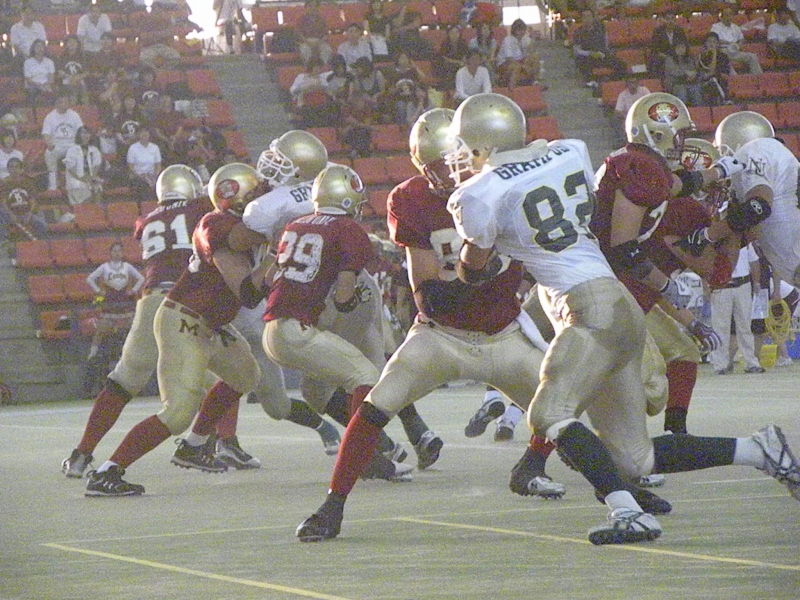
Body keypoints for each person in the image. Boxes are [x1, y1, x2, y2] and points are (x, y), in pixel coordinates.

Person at [440, 93, 800, 544]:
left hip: (586, 306)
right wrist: (710, 177)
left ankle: (627, 512)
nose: (458, 156)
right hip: (623, 307)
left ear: (481, 143)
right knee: (635, 458)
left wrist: (478, 258)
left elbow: (472, 271)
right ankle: (760, 450)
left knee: (549, 412)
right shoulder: (567, 151)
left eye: (464, 146)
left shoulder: (476, 194)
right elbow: (654, 191)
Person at [84, 163, 270, 496]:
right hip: (184, 318)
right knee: (178, 412)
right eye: (257, 194)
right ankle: (107, 471)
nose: (264, 200)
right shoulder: (216, 222)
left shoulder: (230, 223)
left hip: (210, 321)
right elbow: (249, 291)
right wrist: (280, 244)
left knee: (245, 375)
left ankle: (194, 446)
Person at [594, 93, 742, 436]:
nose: (716, 190)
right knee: (649, 386)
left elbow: (655, 279)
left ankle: (677, 433)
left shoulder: (657, 184)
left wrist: (690, 320)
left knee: (684, 352)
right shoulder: (681, 208)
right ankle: (615, 445)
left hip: (633, 292)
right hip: (618, 295)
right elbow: (716, 274)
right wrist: (734, 226)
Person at [261, 163, 413, 483]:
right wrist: (350, 303)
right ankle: (365, 458)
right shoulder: (349, 230)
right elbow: (344, 297)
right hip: (297, 330)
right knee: (367, 376)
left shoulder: (296, 224)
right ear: (347, 198)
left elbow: (268, 278)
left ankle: (374, 448)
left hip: (273, 330)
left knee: (317, 392)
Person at [709, 244, 765, 375]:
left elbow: (754, 261)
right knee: (720, 327)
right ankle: (720, 365)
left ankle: (751, 363)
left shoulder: (745, 243)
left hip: (743, 284)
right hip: (720, 285)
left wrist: (756, 282)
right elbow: (704, 263)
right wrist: (706, 285)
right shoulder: (714, 243)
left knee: (745, 325)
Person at [86, 241, 145, 362]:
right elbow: (90, 279)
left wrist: (133, 290)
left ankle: (134, 353)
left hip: (125, 302)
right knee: (101, 330)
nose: (117, 253)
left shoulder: (127, 266)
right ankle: (92, 354)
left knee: (132, 329)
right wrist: (99, 291)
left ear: (122, 253)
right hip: (110, 302)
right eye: (114, 251)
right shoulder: (104, 267)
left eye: (119, 251)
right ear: (110, 253)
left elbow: (141, 278)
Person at [572, 10, 626, 87]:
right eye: (584, 17)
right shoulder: (578, 32)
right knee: (581, 60)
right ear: (581, 19)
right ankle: (590, 82)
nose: (587, 19)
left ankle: (610, 81)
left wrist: (606, 52)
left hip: (602, 55)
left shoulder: (600, 29)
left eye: (589, 16)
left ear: (593, 18)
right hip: (589, 58)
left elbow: (606, 42)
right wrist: (590, 53)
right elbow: (577, 51)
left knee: (621, 64)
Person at [42, 93, 84, 191]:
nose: (65, 104)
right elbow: (46, 133)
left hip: (72, 144)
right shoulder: (50, 116)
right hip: (57, 145)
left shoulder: (74, 115)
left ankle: (76, 183)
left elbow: (81, 130)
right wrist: (49, 144)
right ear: (57, 103)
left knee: (78, 154)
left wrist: (80, 143)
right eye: (62, 102)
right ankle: (53, 185)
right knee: (49, 153)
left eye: (66, 102)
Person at [710, 7, 762, 75]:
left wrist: (738, 45)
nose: (729, 17)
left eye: (730, 14)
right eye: (726, 15)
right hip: (723, 50)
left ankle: (758, 78)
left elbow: (742, 39)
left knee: (752, 57)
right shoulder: (715, 27)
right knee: (723, 54)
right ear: (722, 17)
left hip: (735, 50)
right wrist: (730, 43)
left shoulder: (736, 27)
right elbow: (714, 40)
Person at [63, 126, 104, 206]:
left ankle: (96, 209)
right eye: (83, 133)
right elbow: (70, 169)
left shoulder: (94, 150)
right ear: (79, 135)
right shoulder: (72, 150)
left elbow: (96, 166)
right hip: (76, 179)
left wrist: (92, 178)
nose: (86, 135)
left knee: (98, 187)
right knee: (81, 186)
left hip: (89, 178)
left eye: (88, 133)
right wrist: (82, 179)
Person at [496, 18, 541, 90]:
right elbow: (509, 59)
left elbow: (531, 51)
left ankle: (535, 81)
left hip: (520, 61)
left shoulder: (524, 38)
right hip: (505, 64)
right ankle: (511, 89)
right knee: (516, 67)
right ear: (515, 30)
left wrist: (533, 38)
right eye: (520, 30)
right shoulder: (507, 40)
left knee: (534, 58)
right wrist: (523, 67)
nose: (522, 32)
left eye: (523, 30)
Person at [646, 10, 689, 78]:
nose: (670, 21)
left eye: (672, 19)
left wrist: (680, 53)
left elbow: (685, 46)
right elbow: (655, 50)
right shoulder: (658, 31)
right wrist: (668, 58)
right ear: (663, 20)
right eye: (668, 19)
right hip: (663, 57)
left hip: (677, 57)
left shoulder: (679, 31)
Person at [662, 42, 703, 107]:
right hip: (675, 84)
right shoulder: (669, 60)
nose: (680, 49)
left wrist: (693, 75)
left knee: (696, 90)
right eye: (678, 47)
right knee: (682, 91)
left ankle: (698, 111)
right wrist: (686, 73)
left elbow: (693, 72)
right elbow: (675, 72)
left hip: (689, 83)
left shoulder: (689, 60)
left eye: (683, 47)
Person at [126, 127, 162, 201]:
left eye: (146, 132)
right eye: (142, 132)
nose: (144, 134)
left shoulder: (155, 147)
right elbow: (130, 168)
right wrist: (142, 177)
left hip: (151, 176)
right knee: (143, 185)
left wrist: (155, 175)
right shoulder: (132, 148)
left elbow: (158, 165)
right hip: (138, 176)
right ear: (138, 134)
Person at [697, 32, 731, 106]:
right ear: (705, 43)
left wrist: (715, 53)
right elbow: (710, 72)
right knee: (713, 80)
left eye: (714, 42)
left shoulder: (723, 56)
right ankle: (726, 100)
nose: (711, 44)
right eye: (709, 41)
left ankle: (723, 100)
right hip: (705, 83)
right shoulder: (702, 57)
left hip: (721, 82)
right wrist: (714, 54)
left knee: (717, 81)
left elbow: (725, 73)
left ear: (718, 44)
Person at [613, 75, 650, 142]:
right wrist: (627, 117)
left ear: (638, 83)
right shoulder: (622, 95)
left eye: (634, 82)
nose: (633, 85)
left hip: (644, 115)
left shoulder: (644, 90)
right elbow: (617, 110)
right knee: (616, 118)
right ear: (627, 84)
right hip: (628, 117)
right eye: (630, 82)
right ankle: (622, 140)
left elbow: (650, 102)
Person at [433, 25, 469, 91]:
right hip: (448, 64)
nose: (454, 35)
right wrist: (457, 62)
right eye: (452, 33)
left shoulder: (463, 43)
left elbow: (465, 56)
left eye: (456, 32)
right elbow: (444, 58)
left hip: (460, 65)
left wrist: (463, 62)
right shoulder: (445, 44)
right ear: (448, 34)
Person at [296, 0, 332, 67]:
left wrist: (319, 43)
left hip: (320, 42)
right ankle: (308, 69)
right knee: (305, 50)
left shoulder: (322, 20)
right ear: (306, 7)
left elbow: (326, 34)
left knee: (327, 50)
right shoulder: (301, 20)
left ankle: (323, 68)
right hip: (306, 42)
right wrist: (309, 43)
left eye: (315, 6)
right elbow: (299, 34)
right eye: (310, 6)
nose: (313, 8)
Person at [23, 39, 55, 108]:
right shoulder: (28, 62)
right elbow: (28, 79)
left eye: (41, 46)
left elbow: (51, 78)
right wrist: (37, 85)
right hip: (32, 85)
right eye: (37, 46)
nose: (40, 49)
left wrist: (45, 84)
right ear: (33, 49)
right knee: (33, 91)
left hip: (46, 85)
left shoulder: (49, 62)